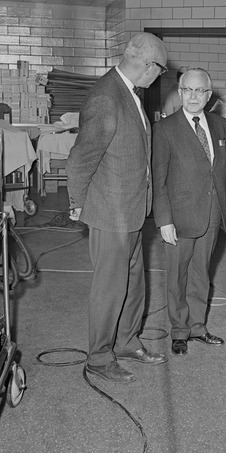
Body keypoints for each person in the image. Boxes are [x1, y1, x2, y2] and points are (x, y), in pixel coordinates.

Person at [67, 32, 169, 383]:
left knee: (134, 280)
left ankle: (126, 341)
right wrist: (78, 204)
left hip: (131, 209)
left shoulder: (129, 93)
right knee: (110, 286)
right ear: (149, 65)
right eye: (161, 69)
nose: (159, 76)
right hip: (110, 211)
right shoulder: (106, 97)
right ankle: (99, 356)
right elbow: (81, 158)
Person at [152, 68, 226, 355]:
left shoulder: (220, 126)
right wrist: (164, 220)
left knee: (201, 274)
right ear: (180, 92)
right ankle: (179, 330)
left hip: (212, 213)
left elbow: (225, 171)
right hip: (178, 216)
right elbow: (158, 179)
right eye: (188, 90)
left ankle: (198, 327)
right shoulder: (164, 129)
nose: (194, 96)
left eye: (200, 91)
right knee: (177, 276)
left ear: (209, 96)